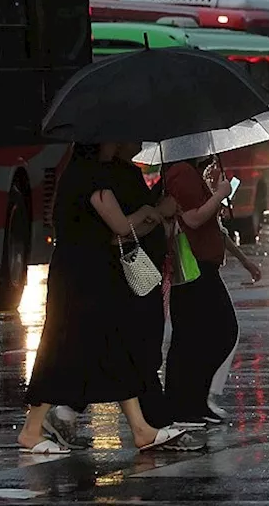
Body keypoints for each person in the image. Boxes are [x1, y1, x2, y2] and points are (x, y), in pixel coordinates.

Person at [19, 143, 198, 454]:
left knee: (115, 348)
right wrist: (151, 212)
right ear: (96, 143)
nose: (117, 144)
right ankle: (31, 430)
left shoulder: (80, 175)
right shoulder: (89, 178)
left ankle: (141, 429)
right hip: (81, 282)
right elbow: (120, 226)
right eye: (111, 139)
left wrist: (147, 215)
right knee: (63, 352)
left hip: (90, 277)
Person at [163, 155, 260, 425]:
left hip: (205, 266)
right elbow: (193, 220)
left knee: (201, 336)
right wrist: (219, 195)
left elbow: (214, 228)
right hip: (193, 267)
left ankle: (192, 402)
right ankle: (182, 405)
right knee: (215, 333)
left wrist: (244, 260)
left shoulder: (194, 173)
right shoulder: (182, 173)